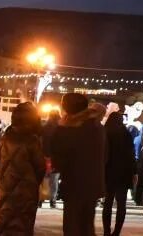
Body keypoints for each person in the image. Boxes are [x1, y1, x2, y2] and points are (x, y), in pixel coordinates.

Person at [51, 93, 106, 236]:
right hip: (92, 183)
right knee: (87, 224)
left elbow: (58, 155)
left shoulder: (70, 128)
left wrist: (60, 128)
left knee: (73, 225)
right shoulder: (96, 126)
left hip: (74, 183)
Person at [0, 101, 47, 234]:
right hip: (26, 192)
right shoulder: (32, 141)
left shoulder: (5, 138)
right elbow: (40, 167)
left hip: (5, 187)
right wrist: (33, 182)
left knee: (3, 224)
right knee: (22, 225)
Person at [103, 106, 136, 235]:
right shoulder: (125, 134)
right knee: (121, 204)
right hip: (123, 173)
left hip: (108, 171)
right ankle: (116, 231)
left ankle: (106, 231)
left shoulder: (105, 132)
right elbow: (130, 154)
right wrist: (134, 171)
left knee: (108, 202)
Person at [41, 108, 60, 209]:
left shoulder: (44, 127)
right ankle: (53, 200)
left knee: (43, 178)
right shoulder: (60, 128)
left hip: (44, 157)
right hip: (56, 158)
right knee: (54, 180)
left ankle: (40, 198)